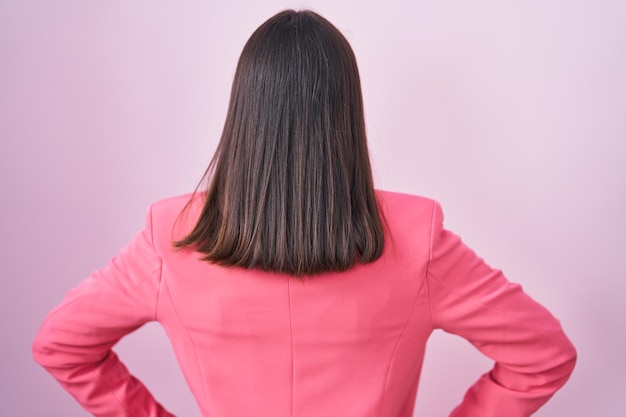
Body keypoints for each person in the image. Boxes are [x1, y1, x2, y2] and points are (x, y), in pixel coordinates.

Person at [32, 9, 576, 417]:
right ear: (346, 113)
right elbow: (544, 355)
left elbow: (60, 346)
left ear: (245, 111)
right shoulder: (417, 236)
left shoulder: (173, 236)